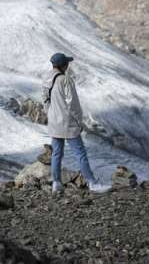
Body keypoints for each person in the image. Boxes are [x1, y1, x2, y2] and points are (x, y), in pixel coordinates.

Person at [42, 53, 110, 195]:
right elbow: (73, 104)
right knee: (80, 153)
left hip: (54, 122)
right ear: (63, 66)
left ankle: (56, 183)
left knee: (56, 153)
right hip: (68, 123)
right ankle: (92, 182)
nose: (68, 65)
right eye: (67, 63)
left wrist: (51, 114)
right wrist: (79, 121)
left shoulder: (46, 79)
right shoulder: (65, 80)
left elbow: (45, 101)